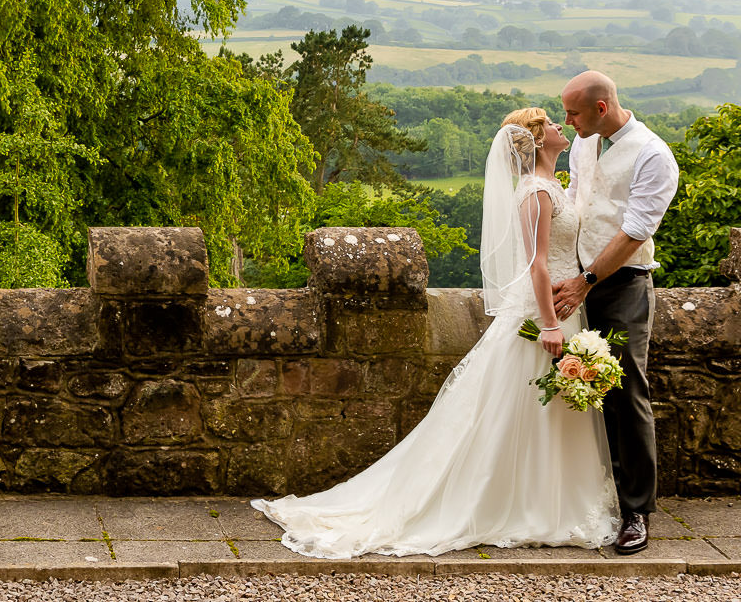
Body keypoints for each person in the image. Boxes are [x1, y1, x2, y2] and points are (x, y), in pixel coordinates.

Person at [250, 107, 619, 558]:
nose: (563, 127)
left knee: (548, 411)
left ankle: (552, 499)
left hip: (565, 307)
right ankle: (515, 502)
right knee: (519, 408)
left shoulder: (553, 186)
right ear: (539, 140)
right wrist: (547, 323)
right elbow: (536, 264)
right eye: (553, 124)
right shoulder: (536, 192)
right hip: (543, 312)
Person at [551, 70, 679, 556]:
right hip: (574, 279)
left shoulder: (652, 154)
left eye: (573, 113)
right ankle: (586, 496)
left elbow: (633, 233)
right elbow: (580, 202)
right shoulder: (586, 144)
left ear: (600, 108)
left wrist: (586, 283)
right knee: (572, 388)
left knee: (626, 391)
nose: (568, 122)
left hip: (622, 286)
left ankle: (636, 513)